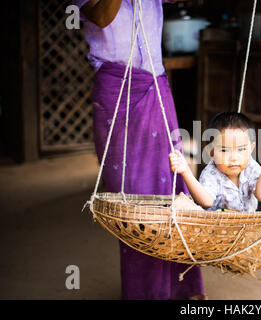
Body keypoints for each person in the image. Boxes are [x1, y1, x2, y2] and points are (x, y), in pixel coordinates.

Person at [73, 0, 206, 300]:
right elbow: (101, 16)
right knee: (133, 202)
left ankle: (183, 289)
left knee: (173, 188)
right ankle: (146, 293)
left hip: (156, 85)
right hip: (117, 89)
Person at [169, 112, 261, 211]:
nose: (234, 158)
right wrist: (186, 172)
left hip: (249, 224)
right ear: (211, 152)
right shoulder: (211, 173)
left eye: (241, 149)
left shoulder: (251, 166)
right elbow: (206, 202)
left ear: (251, 149)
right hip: (220, 227)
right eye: (224, 150)